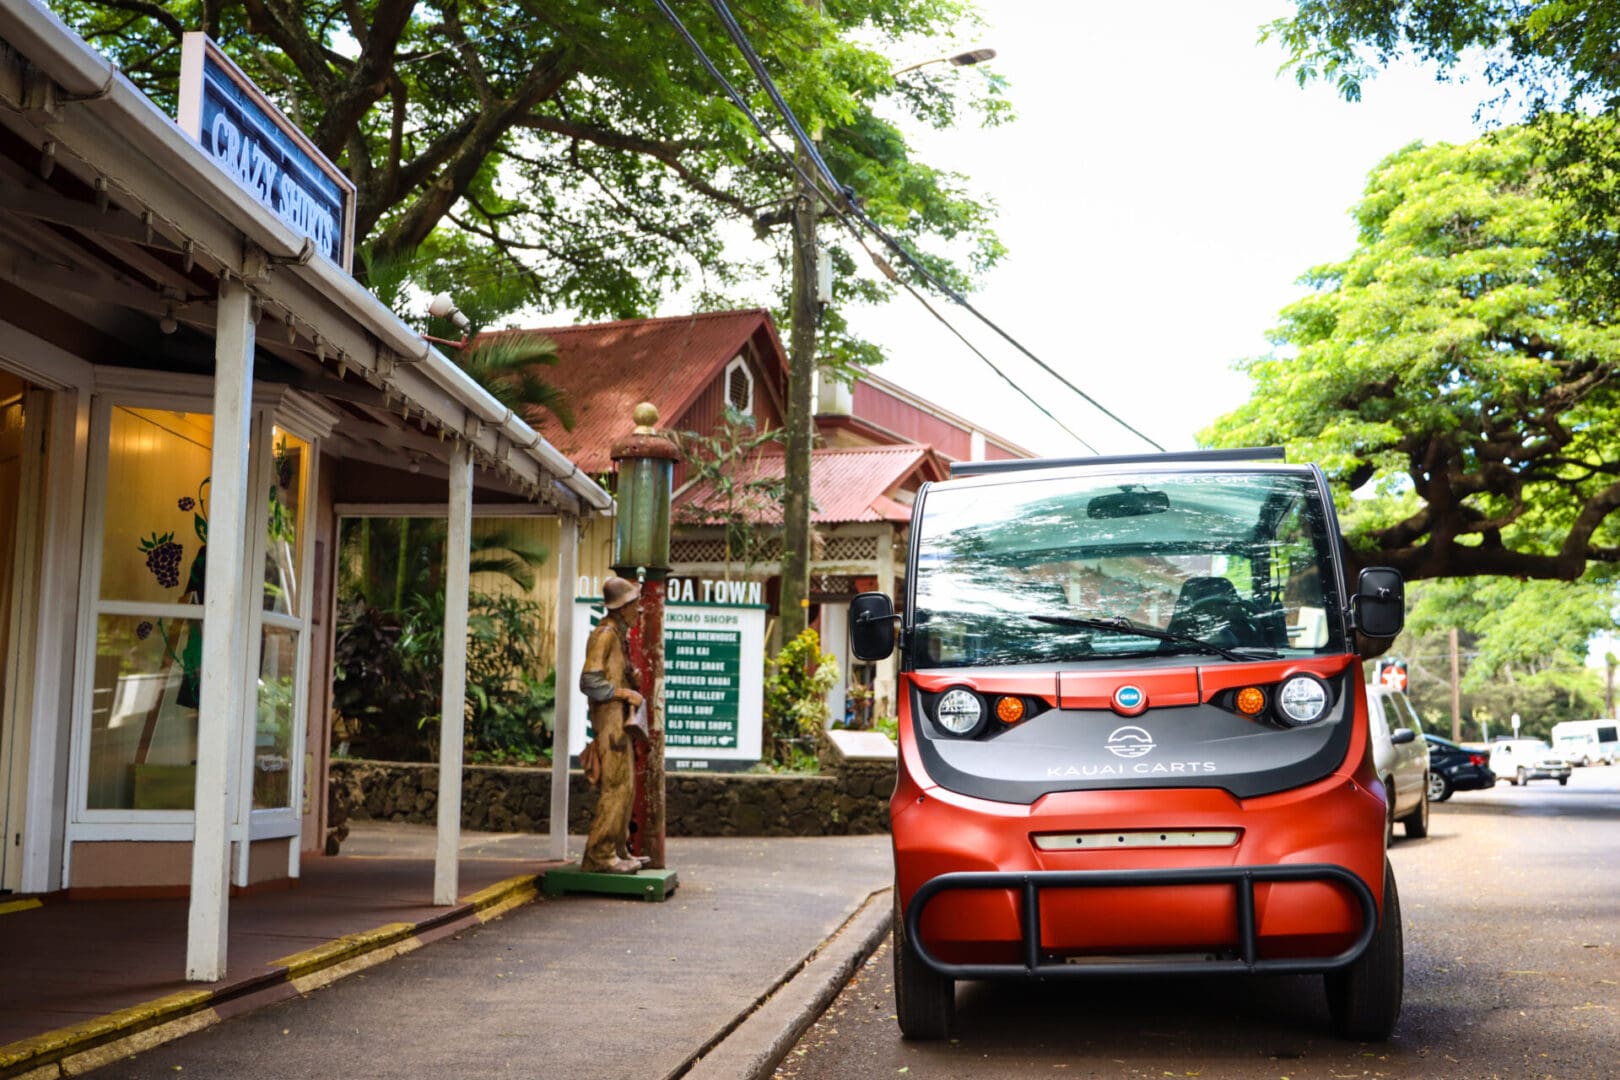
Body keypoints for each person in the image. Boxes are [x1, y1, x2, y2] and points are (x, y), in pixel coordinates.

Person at [578, 576, 645, 874]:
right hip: (610, 725)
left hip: (620, 724)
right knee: (615, 788)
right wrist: (624, 692)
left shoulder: (618, 636)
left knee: (626, 787)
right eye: (635, 604)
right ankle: (600, 854)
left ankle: (618, 849)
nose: (640, 610)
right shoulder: (604, 634)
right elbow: (589, 681)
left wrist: (631, 678)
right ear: (623, 607)